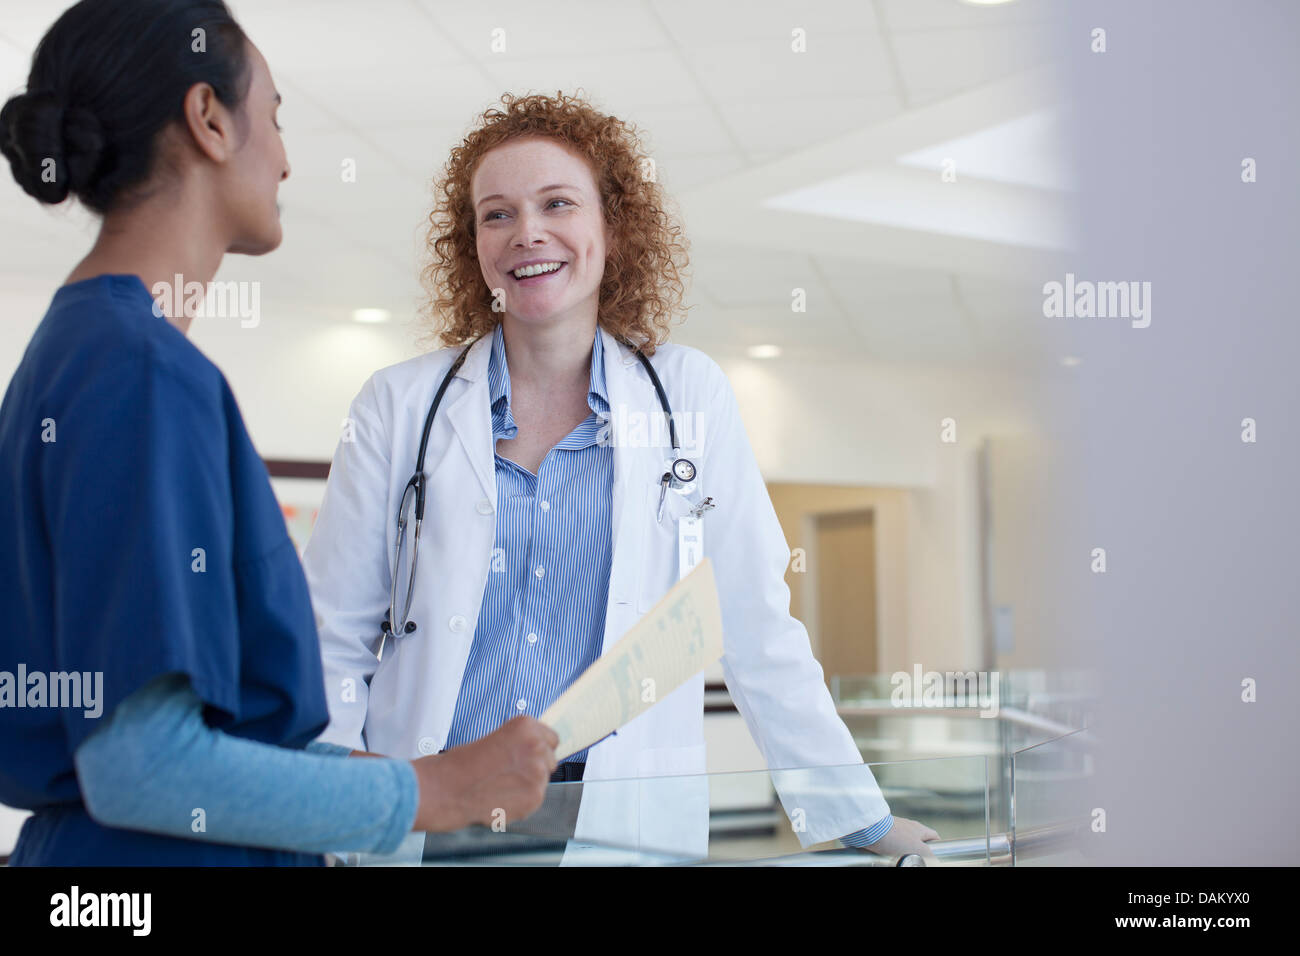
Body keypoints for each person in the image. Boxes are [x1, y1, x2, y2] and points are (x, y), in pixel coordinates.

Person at [302, 91, 941, 860]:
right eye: (496, 214)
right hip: (429, 804)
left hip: (617, 811)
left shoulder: (687, 394)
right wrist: (330, 804)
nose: (526, 231)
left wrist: (857, 816)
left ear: (612, 226)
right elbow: (332, 634)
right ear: (470, 243)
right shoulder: (399, 404)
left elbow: (753, 621)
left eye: (557, 203)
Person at [0, 0, 556, 867]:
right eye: (276, 118)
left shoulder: (82, 351)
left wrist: (392, 776)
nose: (288, 159)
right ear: (209, 120)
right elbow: (143, 770)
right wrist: (437, 791)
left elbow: (204, 738)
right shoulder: (140, 372)